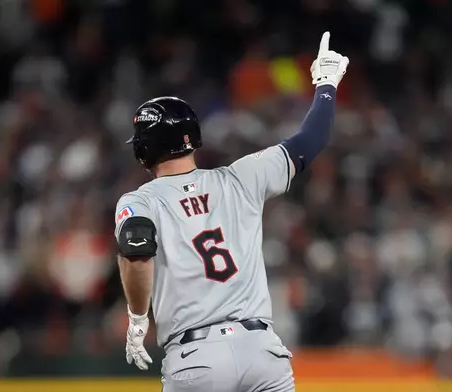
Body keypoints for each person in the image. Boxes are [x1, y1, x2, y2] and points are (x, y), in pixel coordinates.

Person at [114, 32, 348, 392]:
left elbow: (136, 250)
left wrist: (136, 317)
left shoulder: (141, 200)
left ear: (144, 149)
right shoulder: (242, 176)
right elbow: (311, 139)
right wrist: (326, 84)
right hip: (262, 351)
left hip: (196, 357)